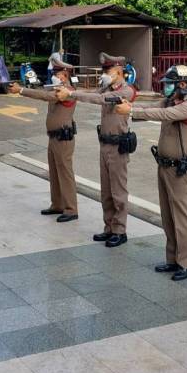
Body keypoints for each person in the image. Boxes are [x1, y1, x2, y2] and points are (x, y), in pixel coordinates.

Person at [116, 65, 187, 281]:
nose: (167, 88)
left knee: (181, 218)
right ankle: (172, 259)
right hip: (164, 166)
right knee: (167, 216)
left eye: (171, 84)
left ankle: (186, 263)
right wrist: (129, 106)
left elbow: (163, 114)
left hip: (180, 170)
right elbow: (152, 107)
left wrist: (131, 111)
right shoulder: (171, 101)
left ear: (183, 84)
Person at [57, 53, 135, 247]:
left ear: (119, 71)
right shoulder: (106, 88)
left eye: (108, 70)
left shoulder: (126, 91)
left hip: (118, 146)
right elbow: (94, 94)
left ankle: (120, 230)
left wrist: (71, 94)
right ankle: (109, 228)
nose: (105, 74)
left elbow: (99, 99)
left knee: (118, 192)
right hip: (105, 144)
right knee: (106, 191)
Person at [10, 59, 78, 223]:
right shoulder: (57, 89)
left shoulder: (68, 91)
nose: (53, 76)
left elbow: (45, 96)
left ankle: (71, 209)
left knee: (65, 173)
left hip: (63, 138)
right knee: (54, 172)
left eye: (56, 73)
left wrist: (21, 90)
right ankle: (57, 204)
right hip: (53, 137)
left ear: (64, 75)